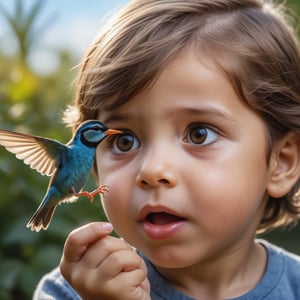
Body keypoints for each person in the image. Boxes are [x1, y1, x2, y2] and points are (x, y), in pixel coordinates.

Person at [33, 0, 300, 299]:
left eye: (199, 135)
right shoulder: (72, 292)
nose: (152, 170)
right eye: (125, 141)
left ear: (282, 162)